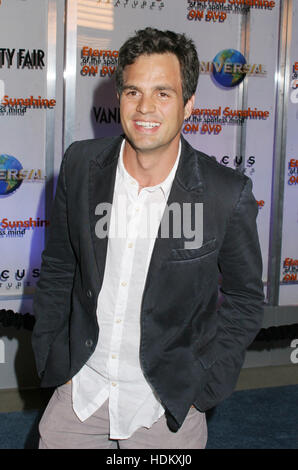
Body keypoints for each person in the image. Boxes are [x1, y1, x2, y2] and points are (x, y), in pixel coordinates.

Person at [32, 27, 264, 449]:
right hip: (81, 392)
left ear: (189, 104)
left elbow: (246, 299)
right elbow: (59, 266)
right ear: (118, 96)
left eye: (163, 93)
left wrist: (203, 388)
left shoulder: (224, 194)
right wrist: (53, 353)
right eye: (133, 91)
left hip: (165, 406)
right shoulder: (81, 165)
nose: (145, 107)